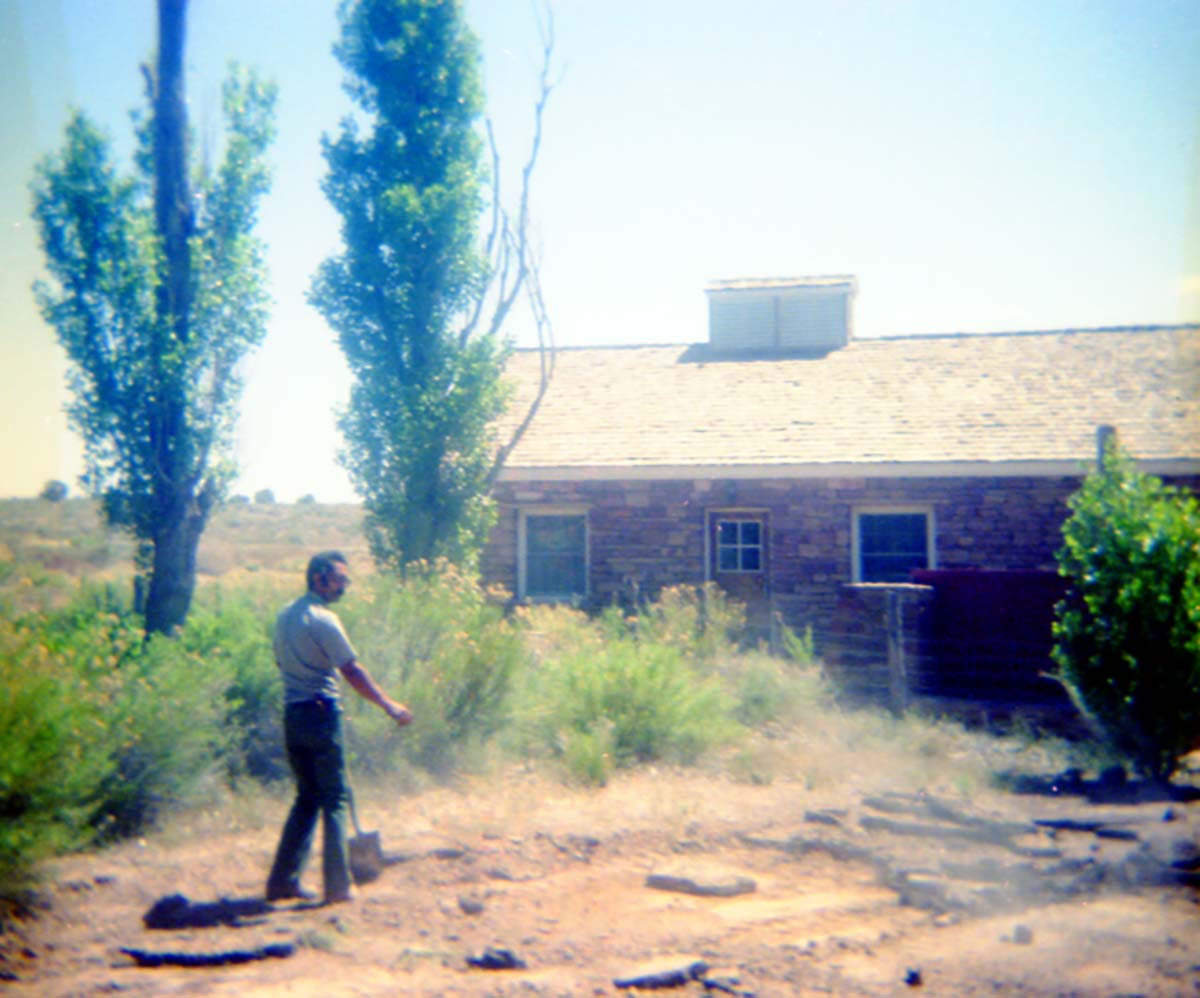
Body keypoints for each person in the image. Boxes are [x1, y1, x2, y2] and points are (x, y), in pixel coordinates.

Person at [265, 550, 412, 905]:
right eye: (339, 580)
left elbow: (280, 663)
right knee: (335, 798)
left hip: (293, 714)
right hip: (321, 713)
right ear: (319, 579)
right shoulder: (324, 619)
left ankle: (282, 882)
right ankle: (338, 885)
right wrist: (388, 705)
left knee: (307, 798)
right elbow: (351, 670)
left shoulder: (285, 615)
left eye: (346, 580)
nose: (344, 586)